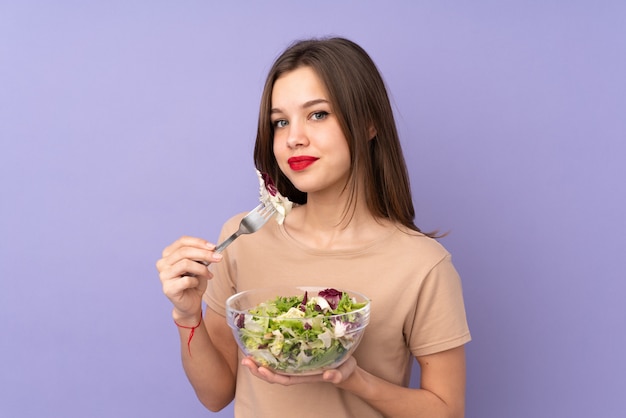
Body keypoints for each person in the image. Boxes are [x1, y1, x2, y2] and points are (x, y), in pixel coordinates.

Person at [156, 37, 471, 418]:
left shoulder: (422, 264)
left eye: (318, 114)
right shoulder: (243, 238)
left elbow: (446, 410)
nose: (294, 138)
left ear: (369, 123)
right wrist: (187, 317)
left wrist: (354, 378)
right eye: (280, 122)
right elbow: (215, 394)